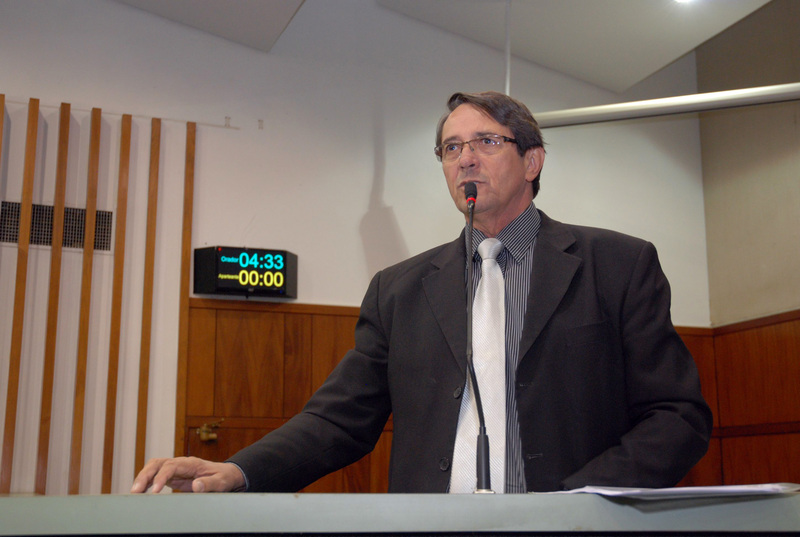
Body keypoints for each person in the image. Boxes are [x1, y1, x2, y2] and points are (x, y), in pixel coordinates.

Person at [132, 91, 712, 494]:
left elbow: (677, 416)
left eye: (486, 141)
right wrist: (240, 470)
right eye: (451, 148)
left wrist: (582, 500)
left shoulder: (617, 265)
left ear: (532, 160)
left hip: (571, 527)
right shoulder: (399, 289)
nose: (466, 159)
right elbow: (338, 420)